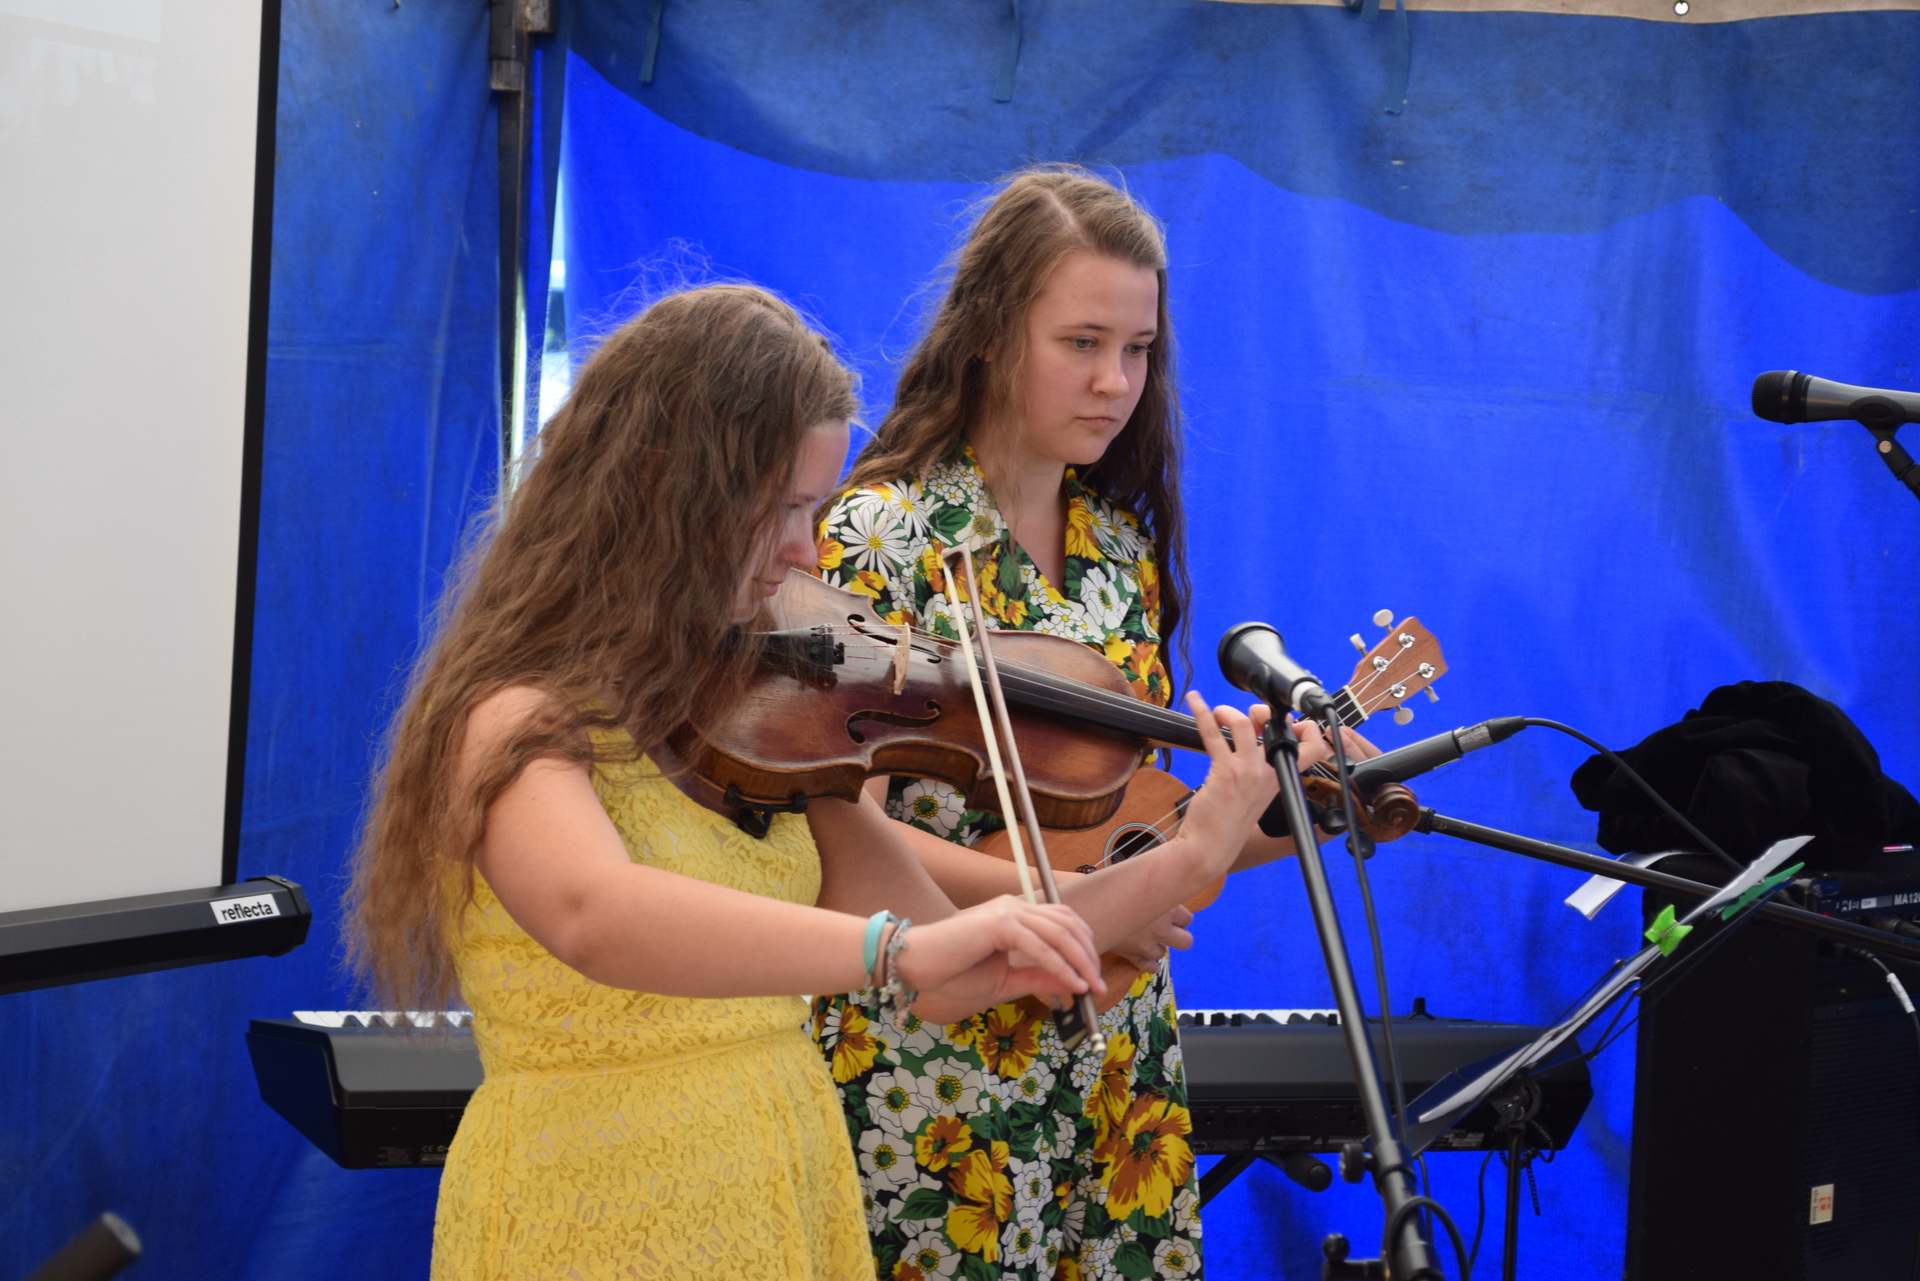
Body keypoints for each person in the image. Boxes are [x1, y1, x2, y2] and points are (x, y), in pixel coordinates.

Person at [342, 285, 1286, 1280]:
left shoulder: (765, 730)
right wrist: (891, 949)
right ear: (669, 491)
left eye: (816, 508)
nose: (807, 552)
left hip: (778, 1191)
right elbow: (594, 912)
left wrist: (1195, 848)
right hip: (590, 1204)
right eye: (786, 508)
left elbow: (966, 971)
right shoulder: (517, 715)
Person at [813, 168, 1372, 1280]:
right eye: (1081, 343)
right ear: (988, 331)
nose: (1116, 381)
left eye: (1139, 349)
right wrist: (1065, 905)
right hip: (936, 1067)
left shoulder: (1120, 551)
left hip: (1113, 1055)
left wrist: (1277, 806)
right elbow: (838, 842)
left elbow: (1124, 833)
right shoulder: (883, 534)